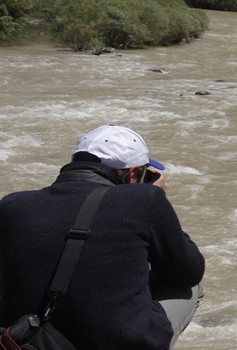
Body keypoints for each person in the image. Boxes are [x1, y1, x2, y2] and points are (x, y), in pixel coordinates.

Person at [0, 124, 205, 349]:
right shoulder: (145, 199)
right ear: (133, 174)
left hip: (27, 341)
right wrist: (157, 196)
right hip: (118, 343)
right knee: (191, 288)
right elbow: (189, 271)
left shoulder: (12, 205)